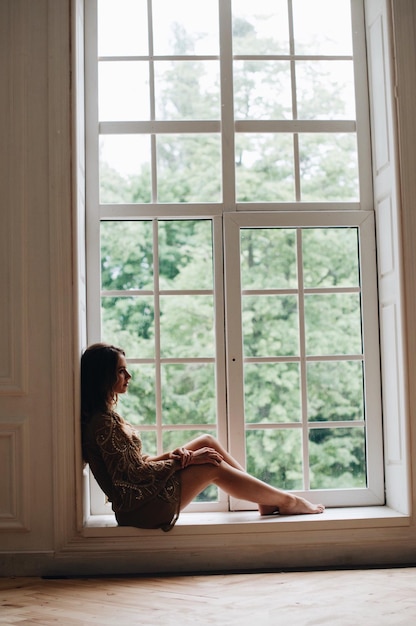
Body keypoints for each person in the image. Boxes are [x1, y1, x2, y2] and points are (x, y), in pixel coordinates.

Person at [81, 343, 325, 532]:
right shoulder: (102, 423)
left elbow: (135, 465)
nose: (129, 376)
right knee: (210, 465)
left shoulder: (106, 417)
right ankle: (288, 501)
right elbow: (131, 476)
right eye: (121, 371)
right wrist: (183, 461)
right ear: (103, 377)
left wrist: (172, 455)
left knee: (206, 441)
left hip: (142, 498)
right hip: (140, 509)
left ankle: (266, 500)